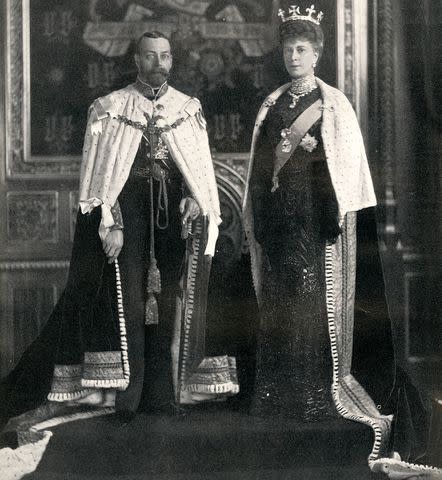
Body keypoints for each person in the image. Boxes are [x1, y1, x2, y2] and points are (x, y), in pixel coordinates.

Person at [1, 31, 238, 428]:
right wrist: (111, 224)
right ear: (136, 61)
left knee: (167, 305)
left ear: (172, 60)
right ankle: (127, 398)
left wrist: (194, 199)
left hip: (172, 221)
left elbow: (199, 175)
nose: (158, 63)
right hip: (125, 220)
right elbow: (100, 180)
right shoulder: (110, 108)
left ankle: (162, 397)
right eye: (150, 56)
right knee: (127, 304)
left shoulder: (187, 108)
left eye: (164, 56)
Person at [242, 5, 436, 477]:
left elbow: (343, 170)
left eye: (302, 50)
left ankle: (312, 396)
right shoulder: (271, 105)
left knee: (311, 306)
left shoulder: (333, 106)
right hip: (281, 223)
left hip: (315, 219)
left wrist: (330, 208)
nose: (293, 57)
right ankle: (277, 396)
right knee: (279, 304)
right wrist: (264, 216)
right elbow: (263, 166)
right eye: (287, 49)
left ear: (317, 55)